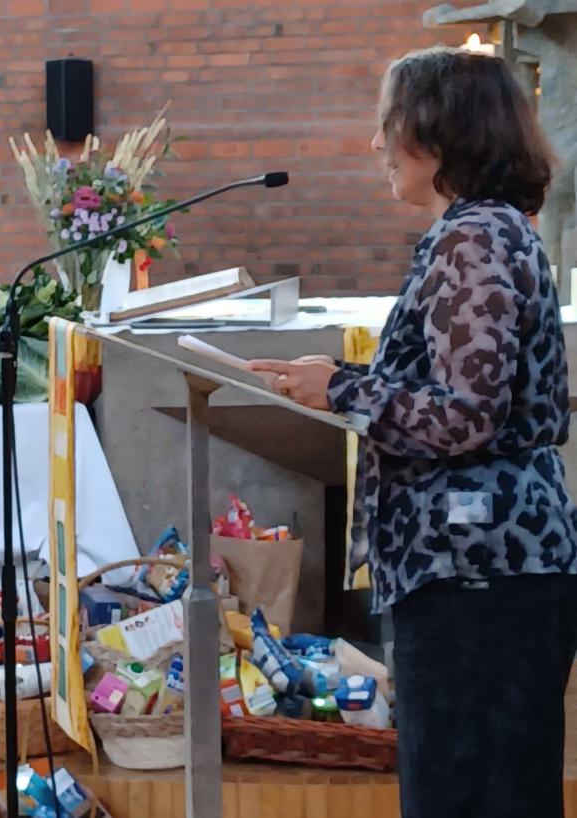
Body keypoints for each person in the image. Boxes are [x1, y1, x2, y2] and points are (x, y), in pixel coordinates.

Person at [249, 47, 577, 818]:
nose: (375, 144)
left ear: (439, 131)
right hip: (483, 572)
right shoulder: (484, 230)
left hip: (481, 576)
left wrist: (341, 386)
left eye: (386, 123)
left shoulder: (476, 238)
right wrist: (336, 379)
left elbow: (466, 414)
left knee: (470, 795)